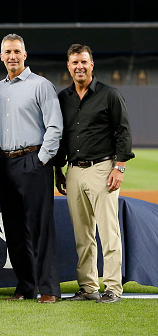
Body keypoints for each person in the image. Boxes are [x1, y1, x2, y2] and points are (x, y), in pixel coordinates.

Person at [55, 44, 134, 303]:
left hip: (103, 168)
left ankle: (113, 288)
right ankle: (88, 287)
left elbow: (123, 131)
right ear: (68, 67)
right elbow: (62, 137)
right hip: (74, 170)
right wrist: (59, 170)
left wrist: (119, 168)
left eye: (83, 62)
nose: (79, 66)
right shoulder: (63, 98)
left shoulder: (109, 95)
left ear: (92, 65)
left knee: (108, 232)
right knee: (83, 234)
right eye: (74, 62)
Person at [0, 33, 63, 303]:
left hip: (33, 160)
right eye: (7, 52)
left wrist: (42, 159)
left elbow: (55, 126)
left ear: (25, 55)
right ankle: (25, 286)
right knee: (14, 228)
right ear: (1, 56)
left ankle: (49, 289)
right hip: (6, 162)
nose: (12, 56)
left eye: (16, 51)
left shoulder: (41, 85)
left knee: (40, 227)